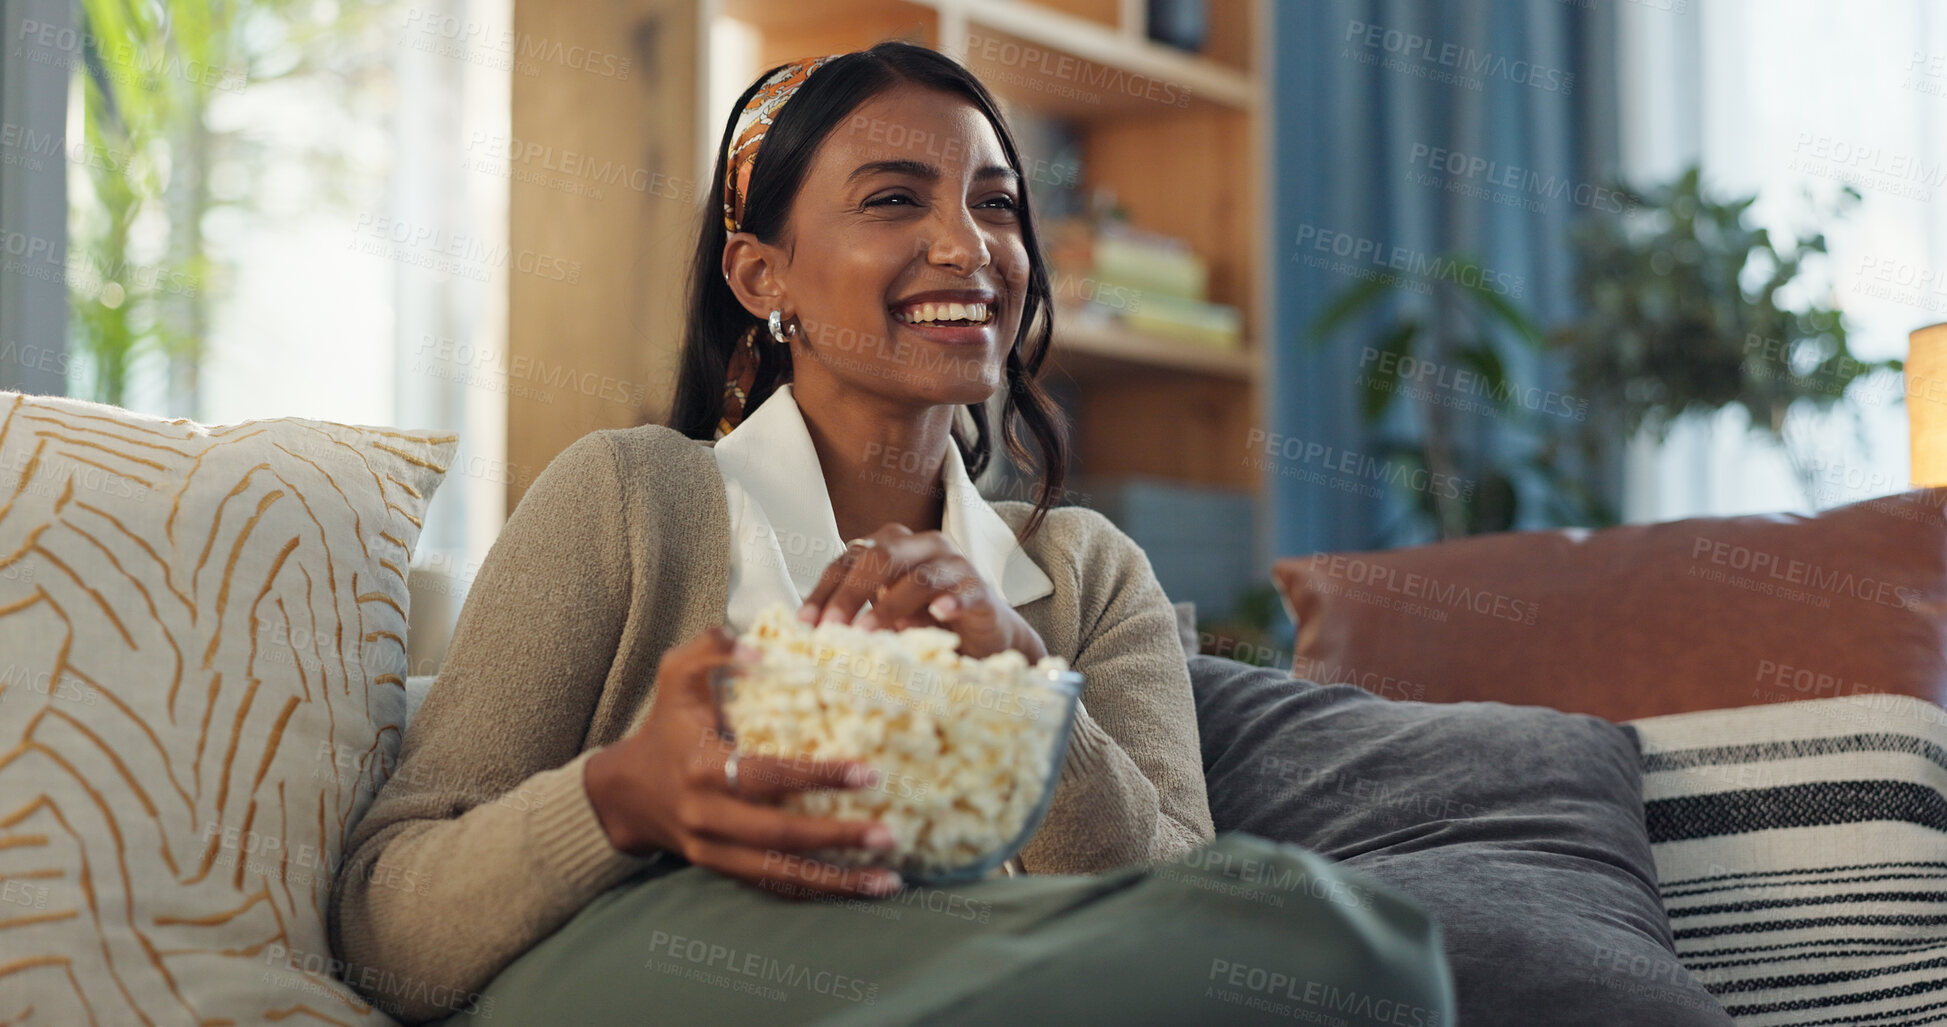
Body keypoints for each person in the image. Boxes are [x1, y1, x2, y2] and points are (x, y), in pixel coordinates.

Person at [329, 40, 1455, 1027]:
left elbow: (1175, 899)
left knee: (1331, 942)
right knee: (1343, 957)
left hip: (983, 961)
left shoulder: (1084, 574)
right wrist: (624, 795)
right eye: (892, 200)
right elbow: (386, 925)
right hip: (659, 955)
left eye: (998, 202)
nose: (969, 246)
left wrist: (1029, 699)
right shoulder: (628, 497)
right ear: (761, 273)